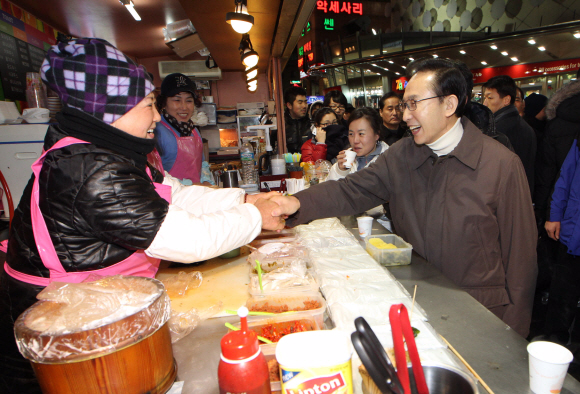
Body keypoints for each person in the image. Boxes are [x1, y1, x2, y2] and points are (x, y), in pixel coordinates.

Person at [0, 37, 283, 393]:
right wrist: (255, 216)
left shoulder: (111, 151)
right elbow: (186, 239)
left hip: (99, 322)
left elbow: (177, 195)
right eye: (148, 104)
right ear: (111, 108)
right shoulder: (89, 169)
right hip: (62, 339)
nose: (155, 115)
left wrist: (247, 199)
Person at [269, 58, 537, 338]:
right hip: (417, 304)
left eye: (413, 103)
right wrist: (295, 203)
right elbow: (350, 190)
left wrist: (514, 337)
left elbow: (521, 261)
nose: (405, 115)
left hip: (481, 317)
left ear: (449, 105)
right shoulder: (402, 155)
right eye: (403, 105)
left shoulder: (500, 165)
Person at [544, 133, 580, 365]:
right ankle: (555, 339)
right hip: (572, 229)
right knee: (563, 286)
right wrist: (555, 215)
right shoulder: (578, 140)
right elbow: (565, 178)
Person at [483, 75, 537, 194]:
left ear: (506, 100)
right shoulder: (526, 127)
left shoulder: (497, 130)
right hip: (522, 194)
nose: (485, 103)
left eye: (490, 98)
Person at [154, 73, 205, 184]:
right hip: (171, 198)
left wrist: (206, 181)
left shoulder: (194, 131)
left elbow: (203, 164)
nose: (184, 107)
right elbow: (154, 175)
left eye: (189, 101)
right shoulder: (156, 131)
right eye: (177, 100)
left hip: (196, 195)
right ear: (163, 103)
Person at [328, 107, 388, 180]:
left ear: (377, 134)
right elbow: (330, 188)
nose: (355, 140)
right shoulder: (347, 157)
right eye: (351, 134)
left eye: (361, 134)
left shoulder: (388, 161)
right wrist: (340, 171)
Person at [284, 86, 310, 153]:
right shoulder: (282, 125)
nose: (304, 106)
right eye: (300, 102)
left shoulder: (311, 123)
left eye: (305, 102)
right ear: (289, 105)